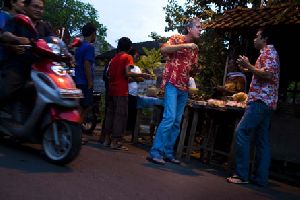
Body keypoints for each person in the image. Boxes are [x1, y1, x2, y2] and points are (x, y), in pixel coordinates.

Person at [227, 28, 280, 186]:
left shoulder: (270, 53)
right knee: (262, 140)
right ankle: (260, 179)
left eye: (257, 36)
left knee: (241, 131)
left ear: (265, 39)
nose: (254, 39)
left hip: (260, 101)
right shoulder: (266, 54)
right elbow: (262, 74)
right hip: (266, 102)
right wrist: (247, 67)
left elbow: (268, 75)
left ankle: (242, 175)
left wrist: (249, 66)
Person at [147, 17, 202, 165]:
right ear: (189, 28)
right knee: (169, 118)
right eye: (198, 27)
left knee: (177, 121)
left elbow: (192, 70)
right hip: (171, 83)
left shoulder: (195, 48)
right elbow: (164, 49)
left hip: (184, 87)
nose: (200, 29)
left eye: (201, 27)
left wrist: (196, 69)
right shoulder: (177, 38)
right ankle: (155, 152)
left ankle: (167, 153)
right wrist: (185, 45)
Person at [102, 37, 150, 150]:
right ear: (129, 47)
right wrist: (142, 75)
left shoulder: (113, 58)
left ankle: (106, 140)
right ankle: (116, 142)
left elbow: (108, 75)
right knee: (120, 116)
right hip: (121, 91)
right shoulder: (127, 57)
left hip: (111, 90)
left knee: (110, 115)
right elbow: (128, 73)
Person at [74, 22, 96, 125]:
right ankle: (77, 130)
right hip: (85, 81)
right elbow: (87, 64)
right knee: (87, 106)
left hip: (77, 80)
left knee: (79, 106)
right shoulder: (89, 47)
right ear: (93, 33)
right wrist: (90, 82)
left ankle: (76, 130)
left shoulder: (79, 48)